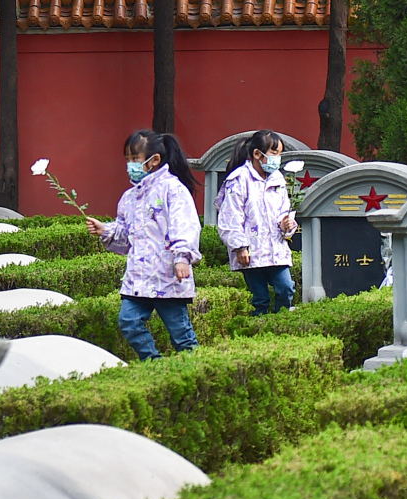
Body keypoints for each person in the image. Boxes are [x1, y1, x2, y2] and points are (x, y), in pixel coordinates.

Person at [86, 130, 203, 361]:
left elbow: (186, 225)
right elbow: (124, 236)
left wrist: (182, 257)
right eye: (128, 160)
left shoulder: (173, 189)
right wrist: (105, 230)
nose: (130, 165)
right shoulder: (129, 197)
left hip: (167, 276)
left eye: (135, 159)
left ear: (155, 160)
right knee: (128, 322)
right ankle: (154, 364)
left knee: (181, 335)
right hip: (138, 279)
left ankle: (197, 372)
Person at [215, 129, 298, 316]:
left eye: (280, 154)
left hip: (276, 251)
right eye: (274, 153)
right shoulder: (238, 180)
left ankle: (280, 324)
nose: (278, 159)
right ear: (257, 154)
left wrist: (286, 226)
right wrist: (240, 247)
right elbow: (230, 216)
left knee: (286, 288)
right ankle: (259, 332)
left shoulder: (279, 180)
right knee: (260, 300)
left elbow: (284, 211)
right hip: (251, 253)